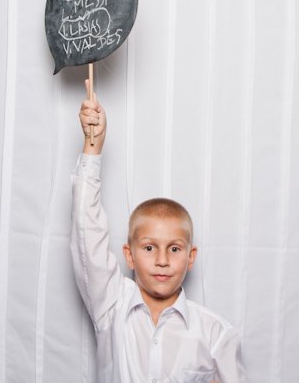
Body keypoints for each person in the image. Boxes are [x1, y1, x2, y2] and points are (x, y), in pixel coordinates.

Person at [71, 80, 245, 383]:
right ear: (129, 255)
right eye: (149, 248)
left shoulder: (215, 334)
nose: (162, 260)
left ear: (191, 257)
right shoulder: (112, 306)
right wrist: (92, 149)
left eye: (174, 249)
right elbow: (88, 233)